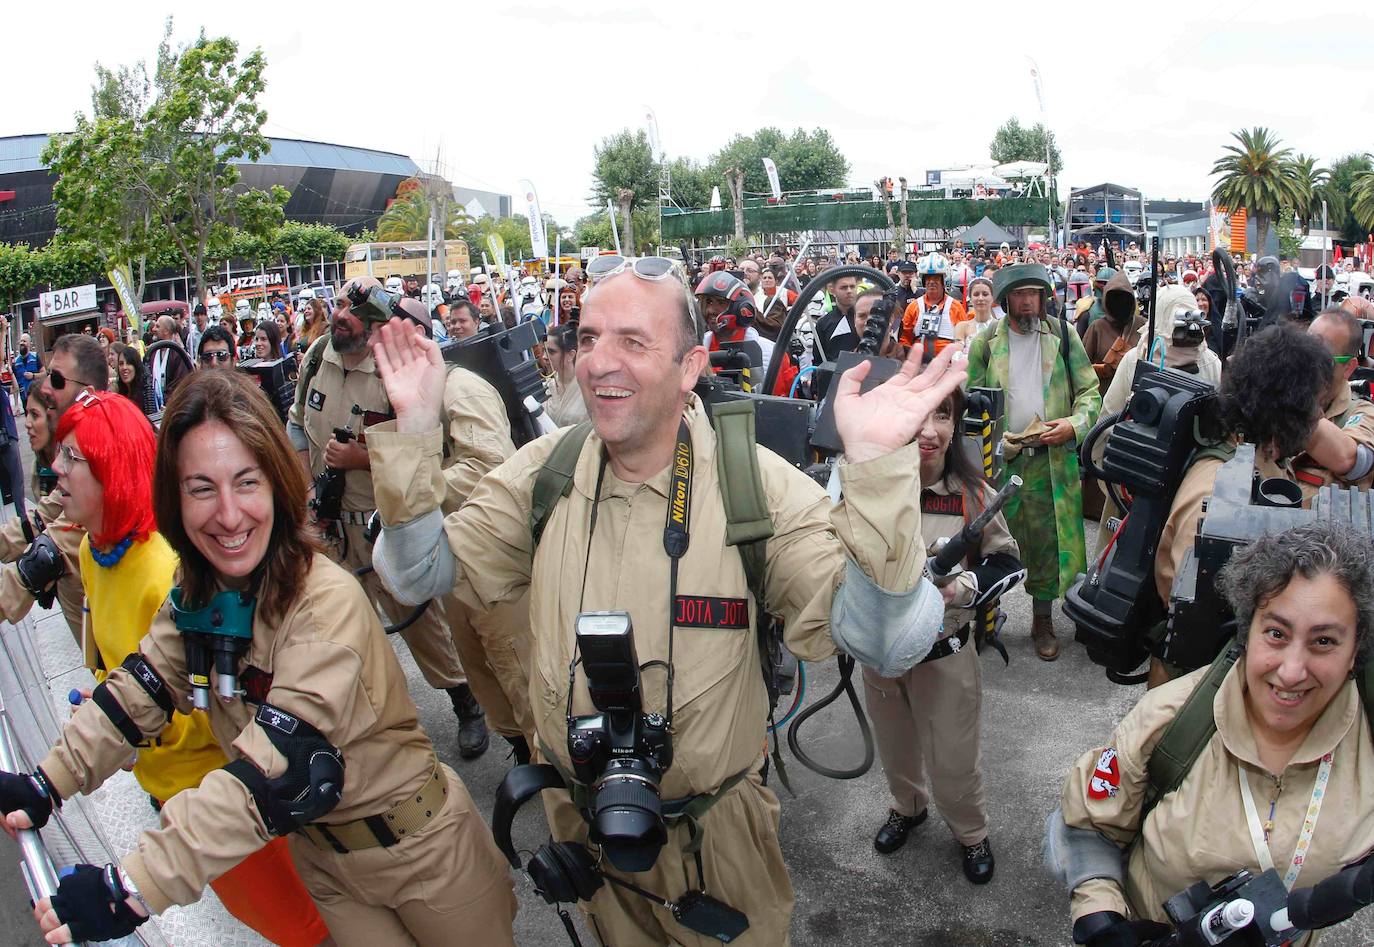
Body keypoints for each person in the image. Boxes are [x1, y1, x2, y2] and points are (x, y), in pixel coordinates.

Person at [365, 253, 966, 943]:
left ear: (691, 367)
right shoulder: (545, 475)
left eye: (632, 341)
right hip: (583, 834)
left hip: (717, 850)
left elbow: (889, 639)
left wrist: (880, 474)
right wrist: (412, 433)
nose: (597, 362)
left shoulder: (753, 487)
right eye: (588, 338)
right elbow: (417, 576)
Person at [0, 371, 516, 946]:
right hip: (329, 869)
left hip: (426, 858)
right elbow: (137, 690)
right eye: (200, 488)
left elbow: (273, 771)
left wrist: (130, 887)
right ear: (172, 497)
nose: (228, 514)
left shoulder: (324, 605)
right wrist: (47, 782)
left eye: (246, 481)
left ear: (276, 482)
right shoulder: (199, 591)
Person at [43, 387, 331, 946]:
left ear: (112, 467)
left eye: (73, 456)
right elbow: (125, 672)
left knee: (308, 930)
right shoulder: (90, 552)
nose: (54, 467)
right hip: (176, 800)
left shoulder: (166, 569)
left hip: (227, 799)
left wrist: (133, 736)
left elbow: (220, 710)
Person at [1051, 521, 1374, 947]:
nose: (1293, 671)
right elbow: (1092, 827)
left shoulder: (1366, 740)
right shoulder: (1171, 720)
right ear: (1248, 631)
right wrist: (1101, 921)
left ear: (1357, 649)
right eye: (1276, 633)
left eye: (1325, 642)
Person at [287, 277, 488, 758]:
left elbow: (428, 459)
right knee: (333, 626)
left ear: (379, 322)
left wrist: (362, 459)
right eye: (337, 304)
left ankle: (466, 703)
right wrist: (305, 491)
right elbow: (298, 423)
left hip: (383, 523)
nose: (340, 314)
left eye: (354, 309)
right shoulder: (317, 357)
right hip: (328, 525)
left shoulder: (397, 372)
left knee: (420, 625)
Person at [864, 384, 1023, 884]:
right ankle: (907, 807)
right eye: (918, 415)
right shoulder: (872, 486)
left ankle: (971, 833)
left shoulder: (974, 495)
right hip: (880, 653)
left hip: (944, 654)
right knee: (895, 749)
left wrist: (963, 588)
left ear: (956, 426)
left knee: (954, 762)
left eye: (943, 416)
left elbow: (1009, 563)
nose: (929, 430)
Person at [1150, 325, 1334, 686]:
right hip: (1199, 683)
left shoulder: (1263, 459)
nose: (1319, 418)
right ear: (1289, 407)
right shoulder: (1217, 486)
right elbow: (1189, 599)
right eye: (1316, 404)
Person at [966, 263, 1101, 661]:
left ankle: (1042, 619)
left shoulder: (1063, 335)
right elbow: (969, 404)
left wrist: (1074, 425)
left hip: (1049, 462)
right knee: (991, 542)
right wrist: (991, 443)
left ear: (1044, 297)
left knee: (1045, 545)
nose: (1028, 302)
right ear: (1006, 298)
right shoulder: (986, 342)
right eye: (1020, 294)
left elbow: (1090, 393)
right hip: (999, 462)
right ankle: (985, 617)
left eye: (1035, 294)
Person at [1291, 308, 1374, 498]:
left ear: (1348, 367)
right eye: (1305, 351)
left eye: (1322, 359)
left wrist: (1293, 400)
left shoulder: (1363, 412)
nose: (1308, 364)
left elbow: (1352, 461)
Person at [1081, 270, 1147, 396]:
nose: (1120, 302)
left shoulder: (1143, 326)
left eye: (1124, 297)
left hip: (1135, 398)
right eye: (1115, 297)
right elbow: (1082, 368)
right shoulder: (1097, 328)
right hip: (1104, 397)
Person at [900, 252, 967, 356]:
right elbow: (905, 338)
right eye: (928, 278)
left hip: (948, 364)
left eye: (936, 277)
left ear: (944, 280)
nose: (931, 281)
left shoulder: (956, 307)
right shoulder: (913, 307)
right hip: (919, 364)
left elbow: (964, 338)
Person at [543, 321, 587, 427]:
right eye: (544, 351)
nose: (545, 356)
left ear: (571, 355)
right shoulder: (547, 386)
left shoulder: (586, 389)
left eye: (551, 352)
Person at [812, 272, 860, 362]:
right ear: (832, 290)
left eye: (852, 286)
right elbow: (817, 360)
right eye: (844, 287)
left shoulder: (864, 320)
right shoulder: (823, 323)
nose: (849, 291)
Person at [954, 277, 999, 345]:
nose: (980, 298)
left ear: (992, 297)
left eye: (985, 294)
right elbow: (957, 350)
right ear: (970, 298)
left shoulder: (1001, 326)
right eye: (976, 294)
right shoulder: (962, 327)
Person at [13, 334, 39, 407]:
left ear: (29, 344)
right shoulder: (15, 362)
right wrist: (16, 405)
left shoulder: (35, 357)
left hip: (37, 395)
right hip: (24, 397)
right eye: (21, 341)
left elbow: (44, 374)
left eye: (24, 341)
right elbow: (15, 385)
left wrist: (33, 376)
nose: (21, 343)